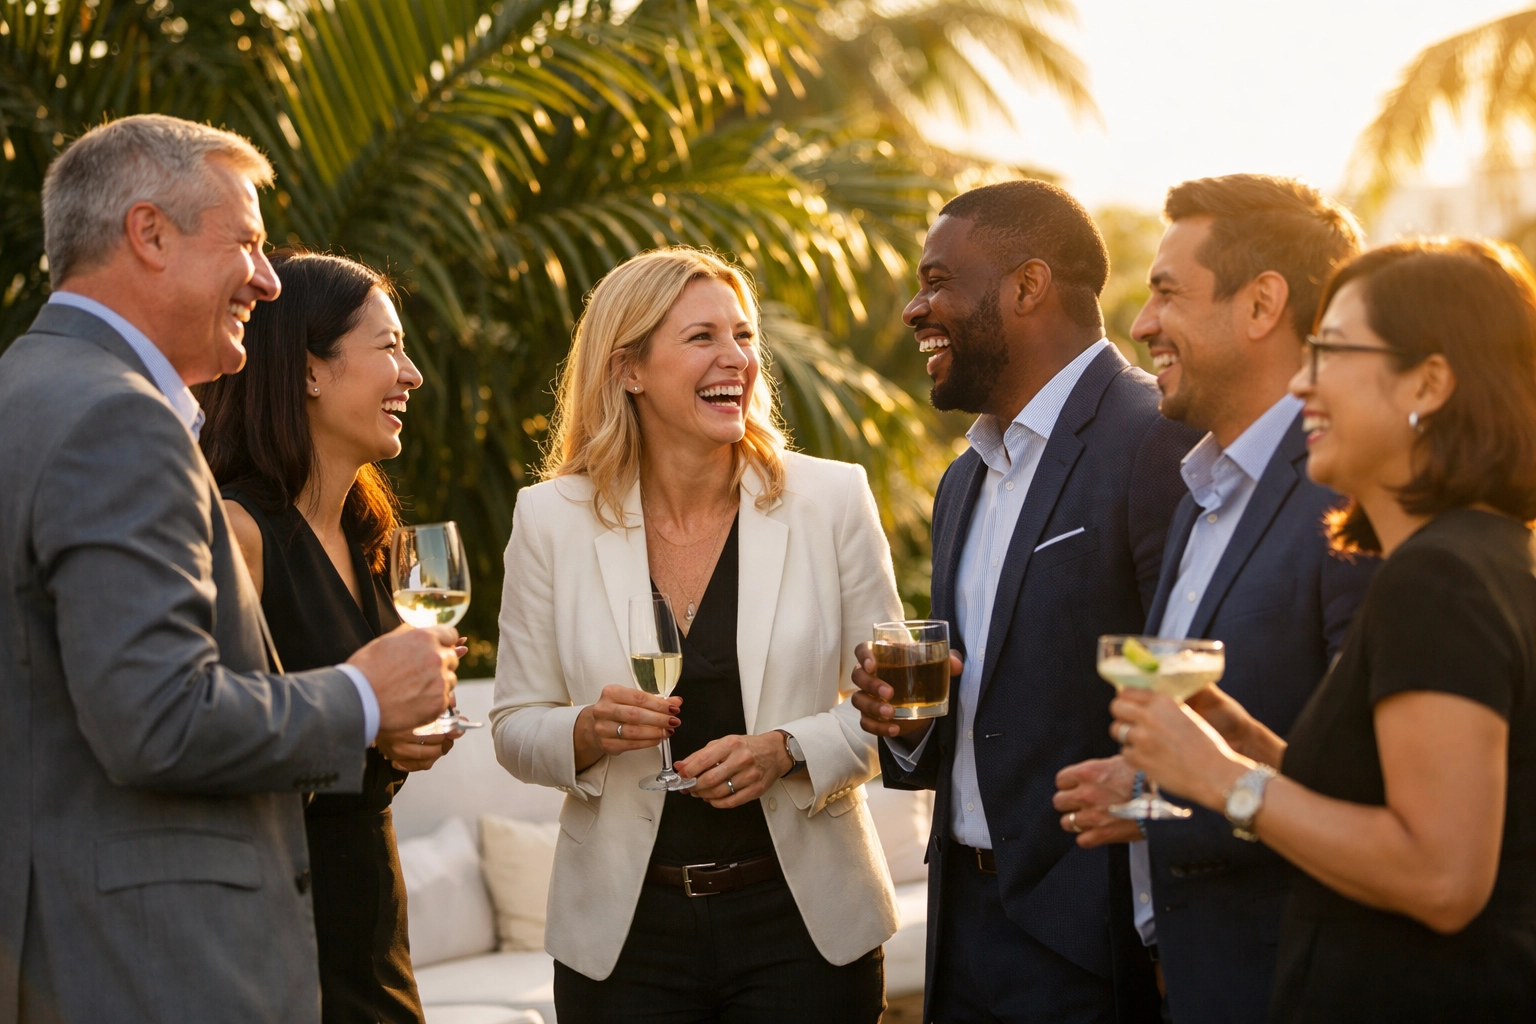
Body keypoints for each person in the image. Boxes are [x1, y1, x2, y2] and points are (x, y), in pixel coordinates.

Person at [0, 115, 459, 1024]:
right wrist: (361, 698)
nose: (268, 276)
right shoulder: (115, 421)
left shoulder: (25, 385)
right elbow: (159, 719)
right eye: (246, 241)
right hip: (148, 964)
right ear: (150, 233)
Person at [1109, 238, 1536, 1022]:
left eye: (1330, 352)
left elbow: (1441, 876)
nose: (1302, 382)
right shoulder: (1481, 556)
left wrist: (1220, 779)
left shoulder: (1436, 580)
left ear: (1430, 382)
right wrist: (1254, 746)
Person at [490, 246, 900, 1023]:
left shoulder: (832, 499)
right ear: (629, 369)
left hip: (804, 928)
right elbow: (514, 727)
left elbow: (894, 707)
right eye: (702, 337)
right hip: (625, 935)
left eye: (743, 336)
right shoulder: (549, 520)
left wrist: (789, 749)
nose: (735, 358)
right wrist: (584, 730)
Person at [850, 180, 1200, 1023]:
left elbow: (1194, 686)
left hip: (1099, 940)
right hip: (964, 932)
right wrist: (906, 724)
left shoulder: (1157, 437)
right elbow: (982, 703)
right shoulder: (962, 480)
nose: (914, 309)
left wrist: (1156, 938)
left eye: (938, 280)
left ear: (1027, 285)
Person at [1050, 175, 1376, 1024]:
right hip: (1191, 975)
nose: (1142, 323)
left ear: (1263, 303)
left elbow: (1375, 791)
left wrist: (1171, 807)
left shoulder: (1348, 509)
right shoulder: (1201, 490)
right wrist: (1147, 792)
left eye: (1166, 292)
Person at [197, 251, 457, 1024]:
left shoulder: (368, 538)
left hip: (372, 924)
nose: (410, 374)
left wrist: (400, 735)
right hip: (275, 934)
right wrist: (365, 715)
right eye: (388, 348)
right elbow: (203, 738)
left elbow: (355, 733)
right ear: (310, 372)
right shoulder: (238, 534)